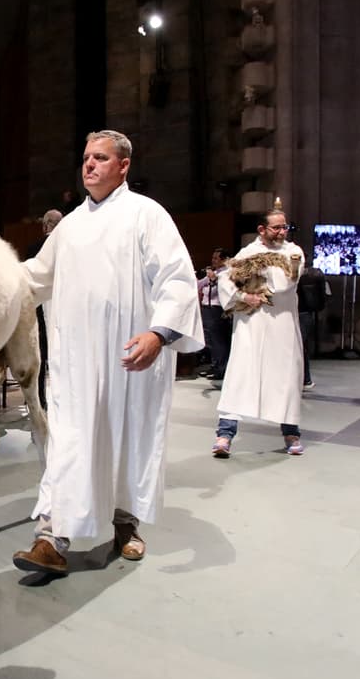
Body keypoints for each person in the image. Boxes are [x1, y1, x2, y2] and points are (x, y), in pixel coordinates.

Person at [12, 131, 203, 577]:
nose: (89, 165)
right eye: (85, 158)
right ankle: (51, 536)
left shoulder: (146, 215)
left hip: (129, 358)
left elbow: (176, 277)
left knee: (127, 439)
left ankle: (125, 524)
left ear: (124, 166)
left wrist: (158, 333)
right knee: (70, 441)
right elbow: (35, 278)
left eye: (100, 158)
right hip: (76, 364)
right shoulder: (70, 228)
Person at [211, 206, 307, 458]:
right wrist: (244, 295)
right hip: (251, 326)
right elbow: (225, 279)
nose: (282, 232)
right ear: (262, 230)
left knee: (286, 378)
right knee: (240, 376)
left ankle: (291, 433)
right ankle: (224, 435)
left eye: (285, 226)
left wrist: (258, 271)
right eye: (276, 227)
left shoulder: (293, 252)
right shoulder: (249, 252)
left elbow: (285, 283)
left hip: (282, 326)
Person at [24, 209, 64, 410]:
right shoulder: (68, 248)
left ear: (45, 225)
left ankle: (38, 400)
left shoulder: (33, 248)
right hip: (64, 310)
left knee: (39, 356)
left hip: (37, 312)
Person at [197, 248, 232, 385]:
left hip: (217, 308)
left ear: (224, 260)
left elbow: (222, 290)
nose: (213, 261)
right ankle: (214, 365)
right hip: (207, 307)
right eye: (213, 258)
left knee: (219, 340)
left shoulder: (226, 273)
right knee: (210, 339)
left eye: (216, 258)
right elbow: (199, 284)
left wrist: (214, 280)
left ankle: (222, 368)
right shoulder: (214, 272)